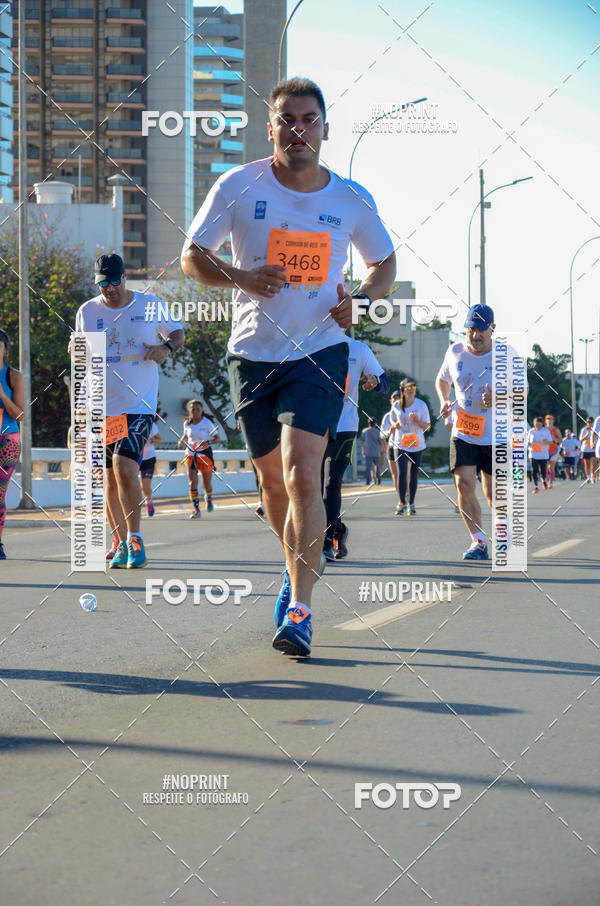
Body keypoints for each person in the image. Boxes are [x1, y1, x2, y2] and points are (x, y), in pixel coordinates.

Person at [181, 77, 395, 656]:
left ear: (324, 128)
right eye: (287, 119)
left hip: (321, 350)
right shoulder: (237, 184)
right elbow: (192, 258)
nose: (298, 129)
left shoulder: (350, 198)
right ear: (271, 127)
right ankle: (293, 563)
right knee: (272, 483)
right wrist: (243, 278)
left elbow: (383, 263)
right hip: (252, 355)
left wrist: (363, 301)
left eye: (309, 119)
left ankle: (300, 608)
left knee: (304, 474)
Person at [74, 254, 184, 568]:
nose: (109, 288)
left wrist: (165, 348)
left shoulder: (149, 304)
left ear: (124, 278)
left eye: (114, 281)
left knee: (124, 467)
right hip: (101, 408)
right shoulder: (87, 311)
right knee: (109, 478)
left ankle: (135, 540)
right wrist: (76, 352)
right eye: (102, 283)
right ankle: (120, 542)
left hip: (137, 405)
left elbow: (177, 333)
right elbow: (82, 356)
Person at [436, 303, 496, 561]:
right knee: (464, 483)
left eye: (481, 329)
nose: (475, 335)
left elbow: (523, 390)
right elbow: (442, 379)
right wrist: (443, 400)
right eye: (471, 329)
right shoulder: (455, 351)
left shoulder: (505, 355)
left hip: (496, 435)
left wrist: (499, 397)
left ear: (492, 329)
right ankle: (478, 541)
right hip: (464, 430)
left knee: (494, 494)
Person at [322, 337, 388, 561]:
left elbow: (385, 382)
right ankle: (338, 530)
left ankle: (326, 543)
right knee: (312, 487)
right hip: (312, 425)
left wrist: (375, 381)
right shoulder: (307, 341)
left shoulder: (359, 350)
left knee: (331, 482)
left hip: (344, 425)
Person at [0, 329, 24, 560]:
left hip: (7, 439)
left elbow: (20, 415)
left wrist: (3, 395)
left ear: (5, 349)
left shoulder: (13, 376)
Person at [391, 377, 430, 515]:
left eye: (413, 387)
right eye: (408, 388)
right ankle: (402, 502)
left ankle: (411, 503)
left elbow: (428, 427)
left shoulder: (421, 405)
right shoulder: (396, 405)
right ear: (403, 390)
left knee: (413, 474)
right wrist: (395, 424)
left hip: (416, 444)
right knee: (401, 473)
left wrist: (417, 421)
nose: (411, 390)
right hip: (400, 443)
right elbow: (392, 418)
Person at [177, 399, 221, 518]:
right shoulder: (187, 424)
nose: (195, 411)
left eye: (198, 409)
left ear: (202, 410)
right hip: (190, 454)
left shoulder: (206, 423)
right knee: (192, 482)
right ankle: (196, 509)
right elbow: (186, 435)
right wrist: (181, 441)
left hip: (204, 455)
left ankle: (208, 497)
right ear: (189, 411)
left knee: (206, 483)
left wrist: (207, 442)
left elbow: (218, 438)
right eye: (193, 409)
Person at [139, 416, 162, 517]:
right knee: (131, 484)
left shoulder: (151, 425)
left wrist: (151, 440)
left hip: (148, 458)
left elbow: (159, 440)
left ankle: (148, 501)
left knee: (145, 486)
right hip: (134, 458)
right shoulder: (129, 422)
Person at [381, 390, 401, 492]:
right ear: (391, 401)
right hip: (392, 446)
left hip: (403, 446)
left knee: (404, 473)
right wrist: (389, 431)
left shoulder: (406, 414)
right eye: (394, 399)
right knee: (395, 474)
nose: (396, 401)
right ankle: (400, 496)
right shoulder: (387, 416)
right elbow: (382, 434)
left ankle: (406, 494)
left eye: (398, 399)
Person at [527, 416, 552, 493]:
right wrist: (529, 443)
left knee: (543, 471)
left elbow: (550, 442)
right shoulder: (531, 431)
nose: (537, 426)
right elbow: (527, 442)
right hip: (533, 454)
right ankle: (536, 487)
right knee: (534, 470)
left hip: (543, 455)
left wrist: (545, 441)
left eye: (539, 424)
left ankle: (544, 481)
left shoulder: (546, 431)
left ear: (542, 424)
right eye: (536, 424)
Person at [360, 418, 383, 485]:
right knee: (377, 467)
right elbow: (380, 442)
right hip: (376, 452)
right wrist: (381, 450)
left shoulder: (364, 431)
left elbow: (362, 442)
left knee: (368, 467)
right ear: (375, 424)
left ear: (368, 423)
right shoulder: (378, 432)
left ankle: (368, 480)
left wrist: (363, 450)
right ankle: (378, 479)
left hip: (368, 451)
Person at [544, 414, 562, 488]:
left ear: (553, 421)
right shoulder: (543, 429)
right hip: (545, 450)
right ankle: (546, 480)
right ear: (545, 421)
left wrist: (554, 439)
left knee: (551, 466)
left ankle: (550, 482)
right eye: (548, 419)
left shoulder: (556, 430)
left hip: (554, 450)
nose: (549, 421)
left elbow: (560, 441)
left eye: (550, 419)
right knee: (545, 467)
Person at [579, 416, 598, 484]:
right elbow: (580, 440)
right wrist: (586, 435)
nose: (589, 423)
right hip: (585, 449)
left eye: (591, 422)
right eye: (588, 422)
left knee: (593, 463)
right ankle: (588, 477)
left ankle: (593, 476)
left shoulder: (595, 429)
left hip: (593, 449)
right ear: (586, 422)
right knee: (587, 465)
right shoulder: (584, 430)